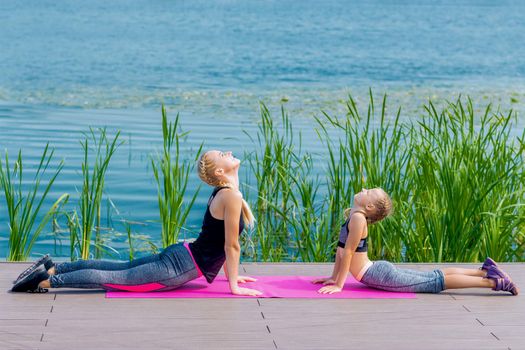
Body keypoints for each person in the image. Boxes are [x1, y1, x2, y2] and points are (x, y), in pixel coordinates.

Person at [11, 150, 262, 297]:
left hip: (182, 254)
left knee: (120, 267)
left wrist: (234, 275)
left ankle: (54, 267)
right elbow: (231, 246)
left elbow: (222, 243)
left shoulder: (226, 192)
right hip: (180, 265)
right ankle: (44, 281)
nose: (228, 153)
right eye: (222, 154)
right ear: (219, 172)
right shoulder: (231, 195)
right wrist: (233, 287)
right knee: (114, 277)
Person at [313, 188, 519, 296]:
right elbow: (342, 251)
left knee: (436, 282)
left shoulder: (357, 218)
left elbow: (348, 252)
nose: (364, 188)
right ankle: (485, 271)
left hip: (376, 274)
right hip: (377, 270)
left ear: (368, 206)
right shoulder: (355, 216)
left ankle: (494, 281)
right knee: (434, 276)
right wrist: (333, 277)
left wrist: (339, 285)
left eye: (368, 192)